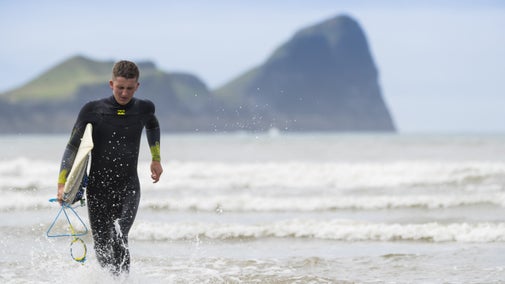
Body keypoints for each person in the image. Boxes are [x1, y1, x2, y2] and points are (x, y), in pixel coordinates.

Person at [57, 60, 163, 275]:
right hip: (98, 189)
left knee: (120, 236)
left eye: (129, 88)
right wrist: (62, 184)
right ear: (111, 84)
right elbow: (72, 146)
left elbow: (152, 125)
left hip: (128, 187)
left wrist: (156, 158)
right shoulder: (92, 110)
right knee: (102, 248)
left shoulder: (144, 108)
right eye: (120, 87)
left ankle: (124, 280)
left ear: (137, 86)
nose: (124, 93)